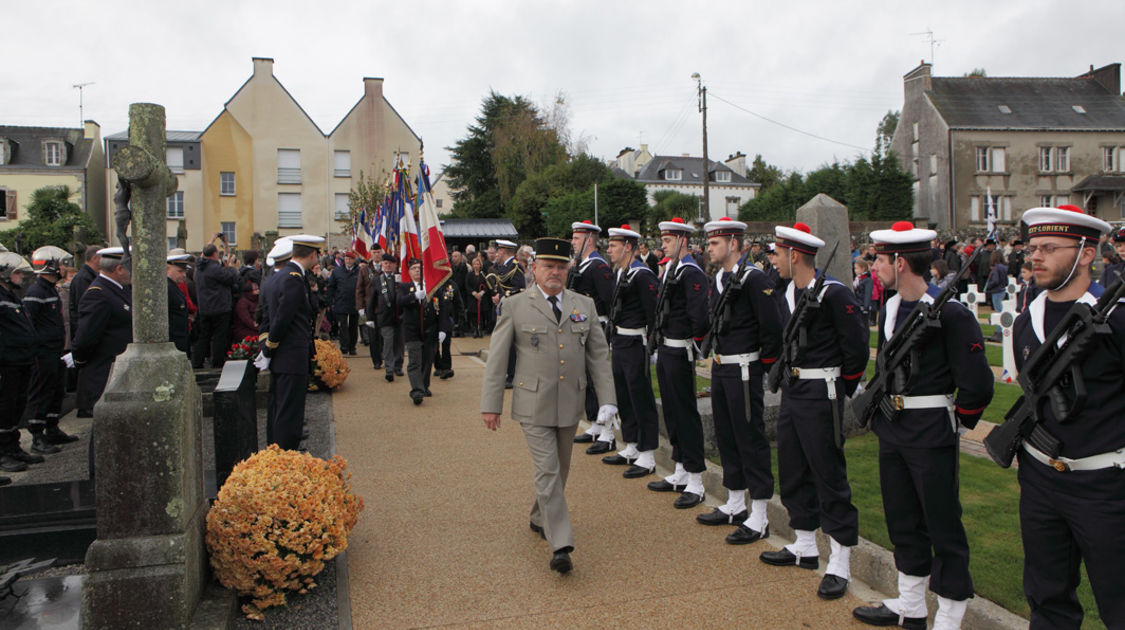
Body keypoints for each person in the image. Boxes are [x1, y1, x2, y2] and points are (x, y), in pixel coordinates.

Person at [852, 221, 993, 630]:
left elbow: (978, 384)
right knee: (902, 518)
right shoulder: (891, 306)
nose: (872, 265)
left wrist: (956, 425)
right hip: (892, 426)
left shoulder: (950, 313)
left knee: (942, 523)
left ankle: (948, 616)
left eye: (878, 259)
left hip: (930, 427)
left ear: (900, 262)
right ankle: (910, 604)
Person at [1010, 205, 1125, 628]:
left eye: (1049, 248)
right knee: (1047, 597)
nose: (1034, 257)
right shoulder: (1027, 322)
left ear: (1087, 253)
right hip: (1041, 481)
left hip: (1105, 486)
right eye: (1032, 247)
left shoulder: (1117, 317)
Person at [480, 237, 616, 574]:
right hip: (533, 402)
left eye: (561, 267)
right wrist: (491, 404)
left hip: (570, 401)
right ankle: (561, 544)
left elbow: (598, 355)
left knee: (560, 468)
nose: (555, 272)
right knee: (548, 470)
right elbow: (498, 360)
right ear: (534, 269)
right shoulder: (515, 306)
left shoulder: (583, 305)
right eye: (548, 266)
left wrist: (609, 401)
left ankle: (540, 516)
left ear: (568, 270)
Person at [759, 223, 867, 600]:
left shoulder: (833, 294)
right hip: (793, 389)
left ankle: (839, 560)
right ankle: (805, 543)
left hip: (823, 391)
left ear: (794, 255)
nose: (772, 260)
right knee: (792, 466)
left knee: (828, 472)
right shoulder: (785, 293)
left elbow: (856, 348)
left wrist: (838, 388)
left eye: (776, 253)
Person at [695, 218, 781, 538]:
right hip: (722, 366)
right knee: (727, 434)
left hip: (745, 368)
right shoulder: (719, 278)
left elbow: (771, 327)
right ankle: (735, 501)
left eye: (715, 243)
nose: (709, 249)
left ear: (733, 244)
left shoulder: (753, 279)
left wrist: (764, 365)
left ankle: (759, 513)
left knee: (750, 438)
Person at [647, 217, 710, 508]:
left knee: (685, 414)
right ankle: (681, 469)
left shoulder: (690, 272)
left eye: (669, 240)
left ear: (683, 240)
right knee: (672, 413)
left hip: (680, 350)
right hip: (666, 348)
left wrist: (691, 344)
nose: (663, 244)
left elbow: (699, 319)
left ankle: (696, 480)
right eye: (663, 239)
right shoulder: (670, 269)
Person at [600, 224, 660, 479]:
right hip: (621, 341)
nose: (609, 249)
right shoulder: (622, 273)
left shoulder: (642, 274)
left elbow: (652, 313)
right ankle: (632, 444)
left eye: (614, 245)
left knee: (640, 397)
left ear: (628, 247)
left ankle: (647, 454)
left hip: (636, 343)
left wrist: (652, 346)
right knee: (624, 395)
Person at [260, 235, 324, 450]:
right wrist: (270, 347)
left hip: (285, 355)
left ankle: (279, 450)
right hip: (291, 354)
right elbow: (283, 318)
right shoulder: (293, 279)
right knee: (290, 410)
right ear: (312, 254)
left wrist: (268, 348)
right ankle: (286, 454)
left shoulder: (281, 276)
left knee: (281, 407)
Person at [22, 246, 81, 454]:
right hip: (42, 351)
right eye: (61, 264)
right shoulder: (36, 292)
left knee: (57, 389)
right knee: (41, 390)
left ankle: (52, 427)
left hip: (55, 350)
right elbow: (30, 322)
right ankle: (37, 435)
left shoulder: (50, 290)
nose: (64, 268)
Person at [566, 220, 616, 448]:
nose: (573, 242)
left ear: (589, 239)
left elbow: (608, 300)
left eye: (577, 238)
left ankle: (608, 431)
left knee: (598, 378)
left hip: (597, 328)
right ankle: (595, 422)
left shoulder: (598, 267)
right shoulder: (582, 266)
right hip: (580, 328)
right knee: (585, 379)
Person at [70, 247, 133, 420]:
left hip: (117, 370)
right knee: (105, 429)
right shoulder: (98, 294)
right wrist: (80, 360)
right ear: (119, 269)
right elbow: (86, 337)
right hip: (104, 370)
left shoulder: (118, 290)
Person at [0, 252, 42, 479]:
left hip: (21, 359)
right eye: (16, 272)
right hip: (6, 362)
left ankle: (12, 447)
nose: (21, 276)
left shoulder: (12, 295)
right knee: (5, 407)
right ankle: (3, 451)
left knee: (17, 405)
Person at [192, 238, 240, 369]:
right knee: (219, 336)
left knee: (204, 336)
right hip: (219, 307)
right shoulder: (213, 268)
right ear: (214, 254)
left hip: (204, 307)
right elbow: (232, 279)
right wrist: (231, 268)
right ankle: (217, 362)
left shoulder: (199, 268)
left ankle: (197, 362)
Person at [399, 259, 439, 404]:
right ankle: (416, 391)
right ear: (409, 272)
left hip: (430, 330)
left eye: (419, 268)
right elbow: (400, 301)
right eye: (414, 268)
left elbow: (440, 308)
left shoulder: (432, 287)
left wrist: (442, 329)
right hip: (412, 331)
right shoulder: (404, 287)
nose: (417, 270)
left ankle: (424, 385)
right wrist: (414, 296)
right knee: (415, 361)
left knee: (427, 360)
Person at [490, 239, 526, 388]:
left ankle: (512, 375)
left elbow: (521, 288)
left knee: (511, 345)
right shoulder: (503, 267)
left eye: (498, 251)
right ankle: (507, 372)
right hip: (502, 309)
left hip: (512, 310)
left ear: (503, 251)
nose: (496, 254)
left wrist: (504, 295)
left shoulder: (515, 267)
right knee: (503, 343)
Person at [368, 253, 404, 381]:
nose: (388, 266)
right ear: (382, 265)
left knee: (399, 343)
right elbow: (372, 300)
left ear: (395, 265)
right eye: (385, 263)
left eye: (390, 263)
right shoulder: (377, 280)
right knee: (388, 343)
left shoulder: (400, 278)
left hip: (400, 316)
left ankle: (398, 366)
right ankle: (389, 368)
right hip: (385, 316)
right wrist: (369, 317)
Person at [327, 250, 360, 355]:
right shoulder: (337, 271)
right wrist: (329, 301)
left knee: (353, 326)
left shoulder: (359, 271)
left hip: (355, 302)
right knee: (343, 326)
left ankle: (352, 347)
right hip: (341, 301)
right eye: (346, 259)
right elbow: (331, 287)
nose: (348, 261)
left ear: (354, 260)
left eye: (350, 259)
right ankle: (344, 346)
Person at [167, 252, 193, 355]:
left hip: (180, 340)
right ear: (167, 268)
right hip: (174, 342)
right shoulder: (167, 288)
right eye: (180, 271)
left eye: (184, 271)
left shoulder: (174, 287)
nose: (184, 275)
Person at [465, 256, 491, 337]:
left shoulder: (483, 274)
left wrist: (481, 293)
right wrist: (474, 293)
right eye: (475, 264)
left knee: (481, 314)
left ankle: (480, 329)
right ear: (472, 265)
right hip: (472, 298)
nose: (476, 266)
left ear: (480, 265)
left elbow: (487, 285)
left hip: (482, 298)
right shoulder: (469, 275)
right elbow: (467, 285)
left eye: (478, 264)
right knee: (473, 314)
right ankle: (475, 329)